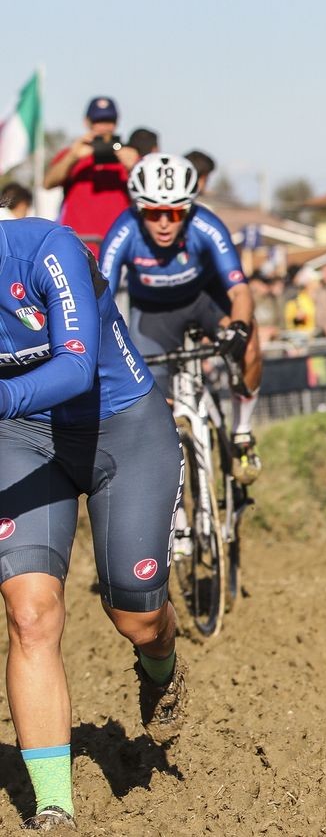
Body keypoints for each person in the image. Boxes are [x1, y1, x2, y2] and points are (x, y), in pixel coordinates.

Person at [0, 218, 185, 829]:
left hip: (122, 427)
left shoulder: (45, 251)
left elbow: (76, 368)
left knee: (136, 615)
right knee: (29, 613)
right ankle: (54, 804)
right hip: (23, 440)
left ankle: (161, 665)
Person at [99, 153, 262, 483]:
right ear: (138, 209)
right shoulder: (123, 232)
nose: (163, 223)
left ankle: (242, 432)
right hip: (153, 315)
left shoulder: (206, 225)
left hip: (205, 300)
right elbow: (100, 299)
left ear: (187, 209)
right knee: (152, 407)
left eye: (173, 213)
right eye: (153, 212)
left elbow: (239, 292)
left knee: (250, 343)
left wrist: (240, 330)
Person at [43, 96, 139, 257]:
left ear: (116, 123)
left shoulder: (127, 156)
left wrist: (134, 166)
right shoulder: (74, 155)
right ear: (87, 122)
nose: (104, 127)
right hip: (77, 245)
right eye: (98, 121)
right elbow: (48, 183)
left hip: (117, 247)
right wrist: (73, 156)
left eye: (109, 121)